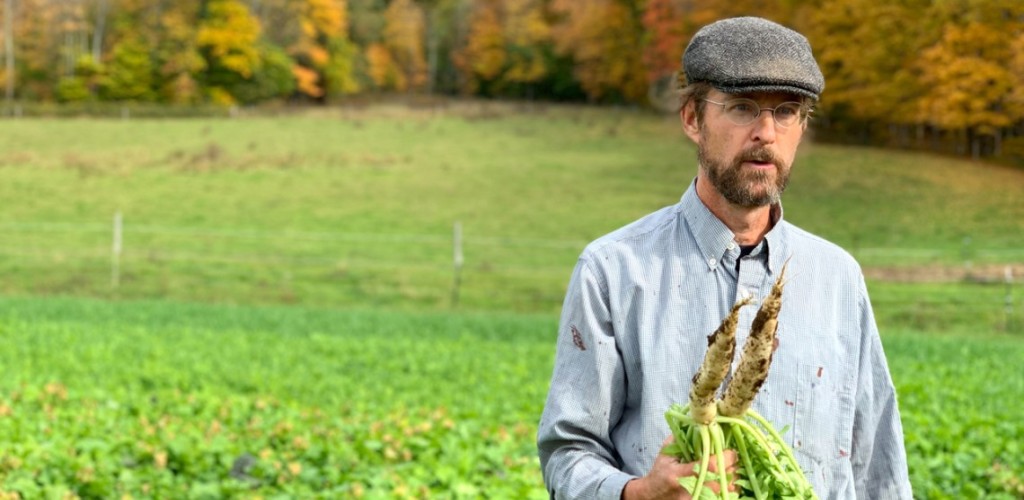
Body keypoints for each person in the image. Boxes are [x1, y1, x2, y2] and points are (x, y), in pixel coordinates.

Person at [536, 16, 913, 500]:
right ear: (693, 118)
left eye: (786, 111)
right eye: (741, 108)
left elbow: (879, 468)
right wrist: (637, 493)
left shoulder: (837, 277)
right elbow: (568, 454)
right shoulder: (613, 270)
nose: (765, 133)